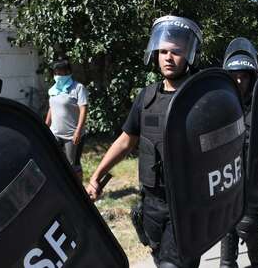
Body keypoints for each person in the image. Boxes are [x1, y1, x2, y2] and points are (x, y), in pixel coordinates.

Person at [86, 15, 202, 268]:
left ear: (190, 55)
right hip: (151, 202)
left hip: (186, 203)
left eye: (176, 52)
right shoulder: (146, 96)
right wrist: (97, 175)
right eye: (163, 51)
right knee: (161, 260)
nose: (168, 57)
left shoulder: (200, 97)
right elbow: (126, 141)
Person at [219, 38, 258, 268]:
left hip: (253, 177)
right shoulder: (219, 106)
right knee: (226, 223)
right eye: (234, 75)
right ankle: (228, 263)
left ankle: (257, 261)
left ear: (251, 77)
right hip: (227, 177)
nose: (238, 80)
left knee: (246, 223)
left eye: (243, 75)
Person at [45, 60, 89, 179]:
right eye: (56, 72)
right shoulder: (53, 90)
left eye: (61, 72)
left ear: (68, 72)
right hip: (55, 133)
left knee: (73, 165)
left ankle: (79, 192)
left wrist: (78, 131)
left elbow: (83, 109)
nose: (58, 75)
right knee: (55, 161)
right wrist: (45, 126)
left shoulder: (78, 88)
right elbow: (51, 108)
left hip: (72, 135)